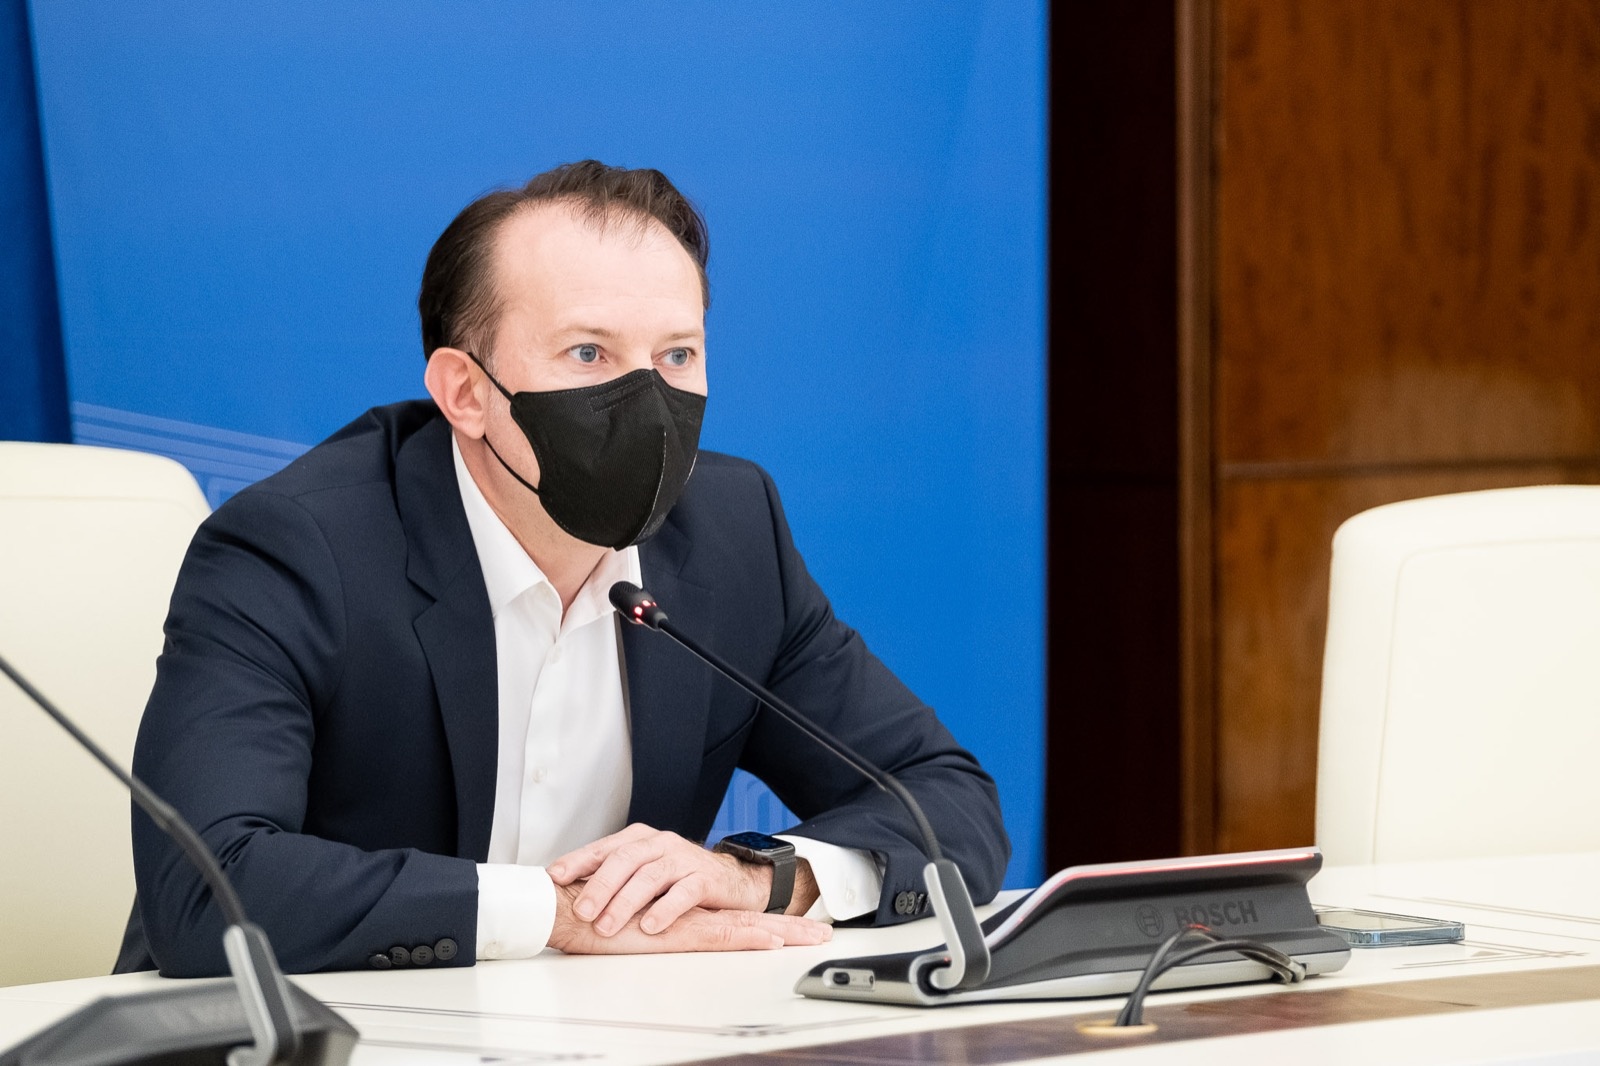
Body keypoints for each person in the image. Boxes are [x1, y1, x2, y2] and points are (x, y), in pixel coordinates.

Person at [117, 161, 1009, 977]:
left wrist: (760, 879)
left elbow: (946, 800)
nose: (647, 399)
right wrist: (551, 913)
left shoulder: (732, 535)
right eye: (589, 354)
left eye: (677, 355)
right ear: (466, 392)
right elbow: (206, 888)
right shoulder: (297, 547)